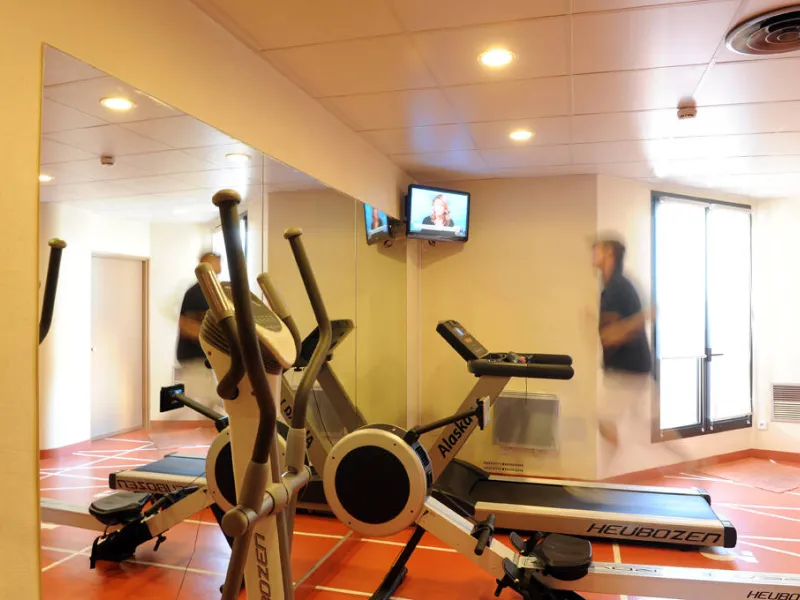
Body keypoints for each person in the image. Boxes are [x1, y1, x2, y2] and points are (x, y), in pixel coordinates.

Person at [593, 236, 653, 459]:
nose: (593, 254)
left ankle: (611, 469)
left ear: (609, 253)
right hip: (630, 368)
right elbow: (616, 328)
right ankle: (688, 461)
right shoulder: (613, 285)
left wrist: (611, 333)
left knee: (604, 420)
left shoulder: (617, 287)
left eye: (597, 249)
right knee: (642, 428)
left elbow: (618, 332)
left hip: (627, 371)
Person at [175, 251, 225, 414]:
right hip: (196, 358)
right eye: (215, 262)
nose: (219, 266)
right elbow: (186, 325)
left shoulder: (214, 292)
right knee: (204, 403)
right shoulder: (196, 294)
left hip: (208, 358)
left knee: (211, 403)